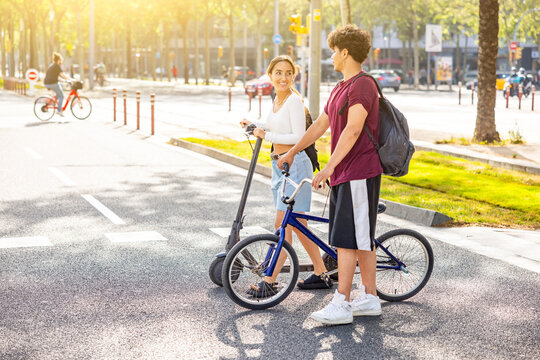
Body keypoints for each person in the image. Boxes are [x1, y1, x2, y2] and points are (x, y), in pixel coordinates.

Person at [278, 25, 383, 325]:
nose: (332, 56)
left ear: (346, 52)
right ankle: (370, 298)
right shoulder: (340, 87)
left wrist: (329, 167)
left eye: (335, 51)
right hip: (346, 174)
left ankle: (342, 302)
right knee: (358, 238)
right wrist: (293, 151)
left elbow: (353, 129)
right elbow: (319, 126)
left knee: (348, 240)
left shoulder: (363, 85)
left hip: (358, 172)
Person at [240, 55, 333, 297]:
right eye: (278, 72)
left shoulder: (293, 101)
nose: (283, 77)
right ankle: (321, 273)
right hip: (280, 166)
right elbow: (276, 126)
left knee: (283, 225)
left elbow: (298, 137)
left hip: (296, 164)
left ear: (294, 76)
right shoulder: (277, 99)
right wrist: (255, 124)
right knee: (297, 226)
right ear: (270, 75)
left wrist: (265, 135)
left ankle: (270, 280)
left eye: (288, 73)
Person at [44, 52, 71, 117]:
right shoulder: (56, 66)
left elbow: (56, 77)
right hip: (52, 83)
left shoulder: (52, 65)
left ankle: (54, 100)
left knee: (60, 86)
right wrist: (70, 79)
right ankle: (59, 110)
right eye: (61, 60)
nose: (61, 62)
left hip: (48, 83)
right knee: (61, 96)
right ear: (58, 60)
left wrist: (64, 80)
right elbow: (62, 75)